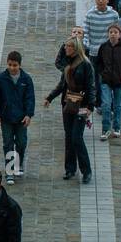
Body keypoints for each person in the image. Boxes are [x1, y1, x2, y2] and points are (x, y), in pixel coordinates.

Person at [44, 37, 94, 184]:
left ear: (75, 48)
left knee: (77, 137)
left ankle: (86, 171)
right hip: (68, 104)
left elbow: (91, 86)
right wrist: (50, 97)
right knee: (69, 137)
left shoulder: (85, 64)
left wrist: (90, 106)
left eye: (69, 46)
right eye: (66, 46)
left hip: (82, 105)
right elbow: (62, 85)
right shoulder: (67, 64)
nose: (66, 48)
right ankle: (70, 168)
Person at [0, 51, 35, 183]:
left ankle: (18, 163)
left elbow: (30, 98)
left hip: (21, 118)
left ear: (19, 65)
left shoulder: (26, 79)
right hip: (6, 118)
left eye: (15, 65)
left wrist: (28, 114)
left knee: (21, 142)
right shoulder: (0, 78)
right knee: (8, 143)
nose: (12, 68)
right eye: (10, 64)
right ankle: (10, 170)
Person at [94, 23, 121, 140]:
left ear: (120, 35)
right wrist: (102, 72)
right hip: (106, 81)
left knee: (118, 105)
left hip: (119, 81)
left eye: (115, 32)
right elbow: (98, 63)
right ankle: (105, 129)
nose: (113, 34)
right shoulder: (103, 47)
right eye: (111, 32)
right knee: (105, 105)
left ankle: (116, 127)